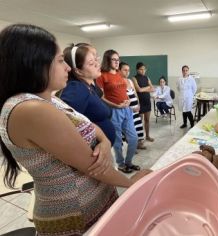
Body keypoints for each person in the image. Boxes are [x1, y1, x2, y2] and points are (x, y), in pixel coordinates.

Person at [0, 24, 150, 235]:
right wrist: (132, 183)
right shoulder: (31, 109)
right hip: (75, 216)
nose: (68, 68)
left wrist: (105, 143)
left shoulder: (50, 100)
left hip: (95, 204)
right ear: (34, 63)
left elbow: (88, 124)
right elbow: (90, 165)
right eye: (61, 61)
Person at [60, 43, 116, 145]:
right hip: (91, 154)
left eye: (95, 60)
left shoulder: (88, 85)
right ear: (78, 71)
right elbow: (66, 126)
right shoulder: (76, 88)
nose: (97, 64)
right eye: (91, 63)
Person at [96, 50, 140, 173]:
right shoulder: (101, 75)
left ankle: (129, 162)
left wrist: (128, 101)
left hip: (127, 110)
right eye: (114, 60)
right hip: (114, 111)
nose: (117, 62)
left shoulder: (118, 74)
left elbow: (122, 92)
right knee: (117, 140)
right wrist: (115, 105)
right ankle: (121, 164)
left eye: (118, 59)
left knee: (133, 138)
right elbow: (100, 96)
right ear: (107, 60)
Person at [119, 62, 146, 150]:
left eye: (128, 70)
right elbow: (121, 99)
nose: (127, 72)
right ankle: (132, 148)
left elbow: (135, 94)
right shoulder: (118, 82)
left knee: (138, 128)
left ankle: (139, 144)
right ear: (119, 70)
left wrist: (138, 104)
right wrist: (130, 109)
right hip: (128, 112)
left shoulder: (130, 81)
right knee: (130, 131)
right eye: (125, 70)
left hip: (135, 110)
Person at [132, 62, 155, 142]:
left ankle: (147, 136)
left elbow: (153, 89)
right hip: (140, 102)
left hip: (147, 101)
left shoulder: (147, 77)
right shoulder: (134, 78)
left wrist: (144, 89)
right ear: (137, 70)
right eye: (141, 69)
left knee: (147, 120)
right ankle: (139, 138)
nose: (143, 71)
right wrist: (148, 87)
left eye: (144, 69)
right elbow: (138, 90)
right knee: (139, 121)